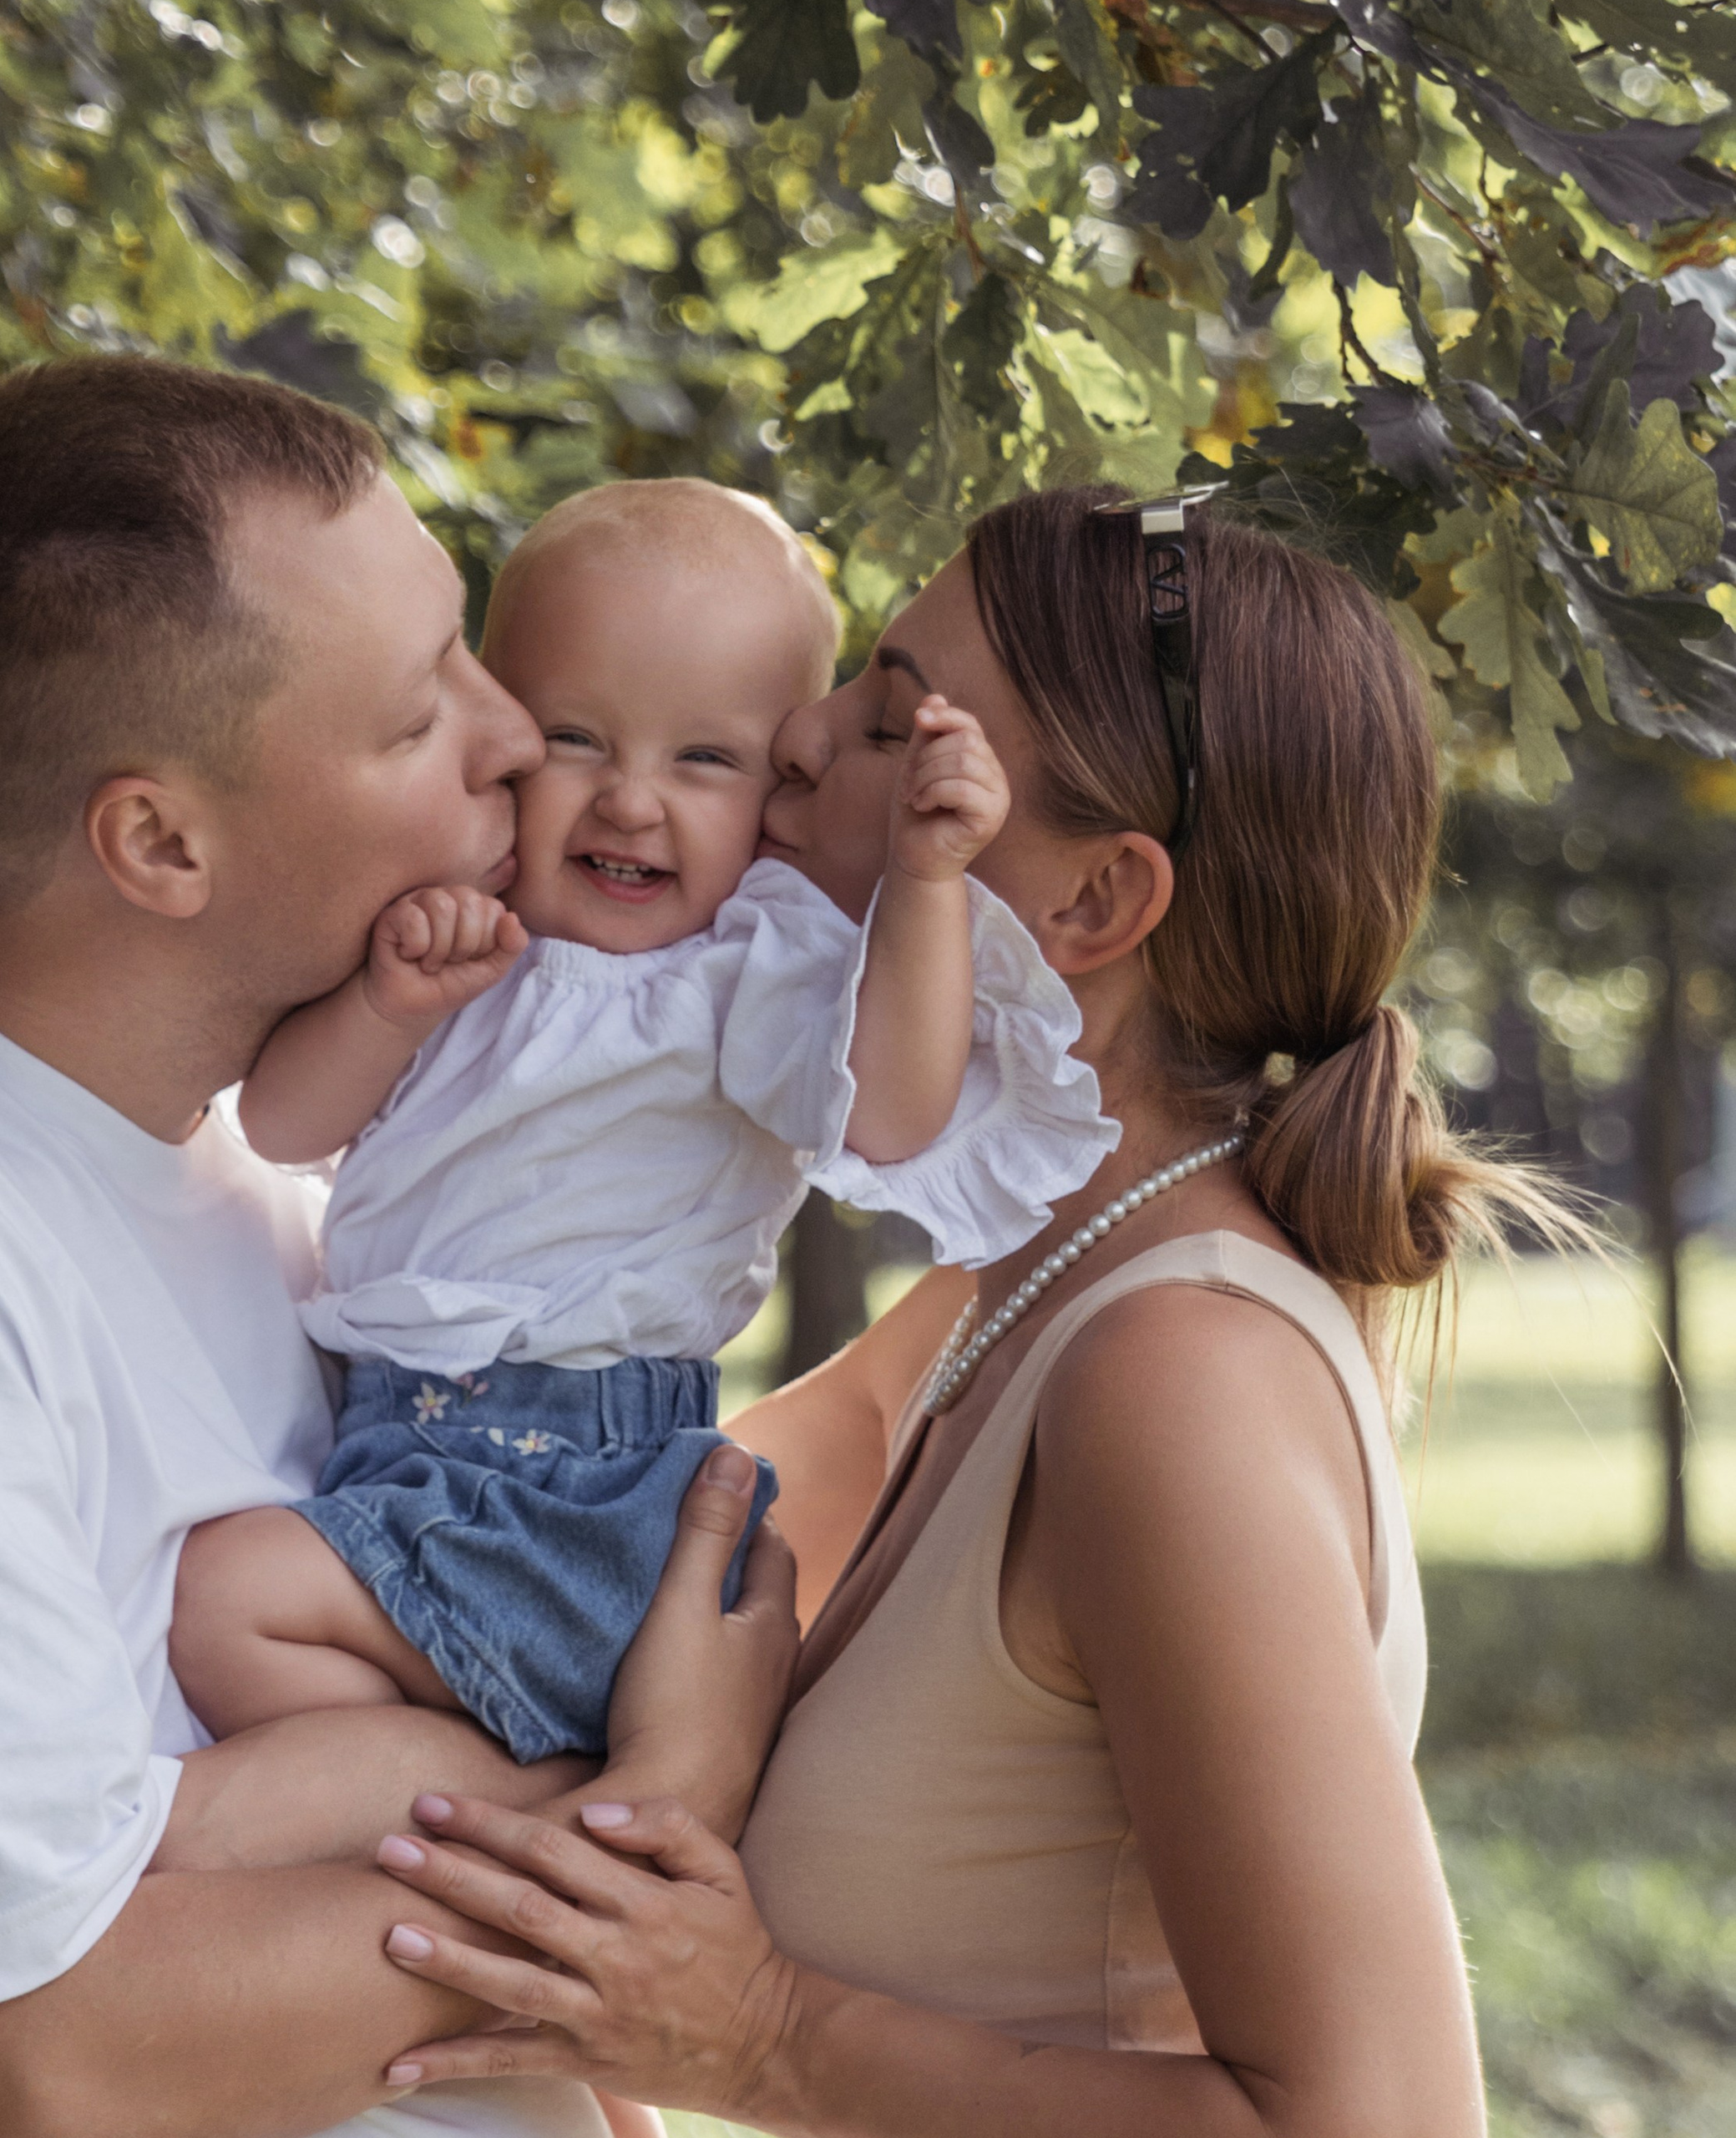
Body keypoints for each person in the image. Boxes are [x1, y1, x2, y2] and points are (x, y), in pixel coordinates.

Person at [0, 357, 798, 2138]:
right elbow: (55, 2057)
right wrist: (650, 1810)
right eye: (413, 718)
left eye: (471, 650)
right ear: (157, 836)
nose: (508, 739)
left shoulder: (297, 1149)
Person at [352, 487, 1554, 2138]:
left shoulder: (1170, 1376)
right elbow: (581, 1522)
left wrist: (756, 2032)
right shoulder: (1017, 1293)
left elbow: (1378, 2118)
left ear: (1086, 906)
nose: (786, 742)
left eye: (882, 720)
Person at [169, 481, 1116, 1771]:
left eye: (703, 759)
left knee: (226, 1602)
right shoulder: (454, 929)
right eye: (576, 740)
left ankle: (474, 1810)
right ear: (501, 731)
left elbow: (892, 1116)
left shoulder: (750, 968)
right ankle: (500, 1800)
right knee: (239, 1617)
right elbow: (279, 1127)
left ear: (777, 782)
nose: (629, 800)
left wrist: (926, 883)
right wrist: (390, 1004)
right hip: (401, 1447)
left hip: (587, 1485)